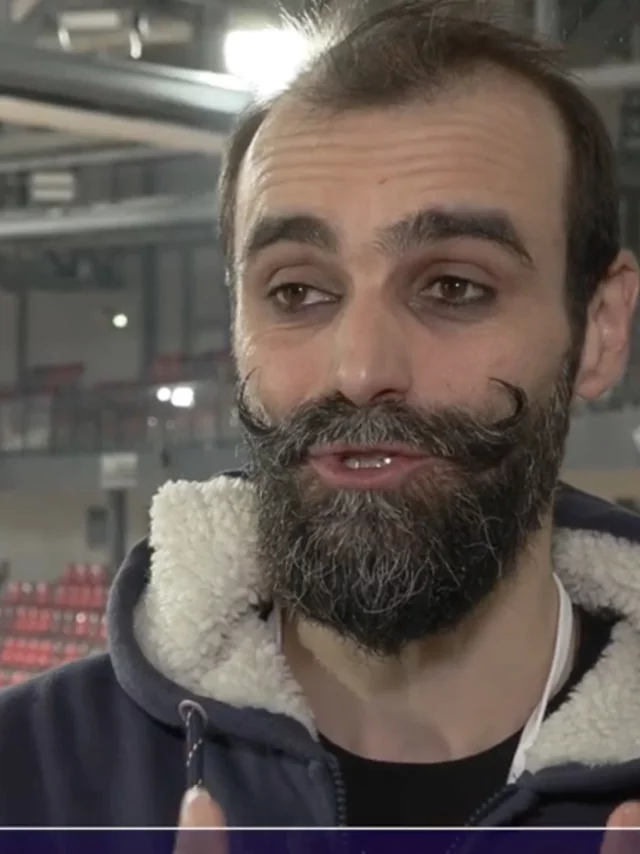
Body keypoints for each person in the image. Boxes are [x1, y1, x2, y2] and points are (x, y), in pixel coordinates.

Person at [2, 0, 640, 836]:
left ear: (599, 329)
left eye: (455, 286)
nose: (361, 370)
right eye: (297, 292)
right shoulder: (30, 777)